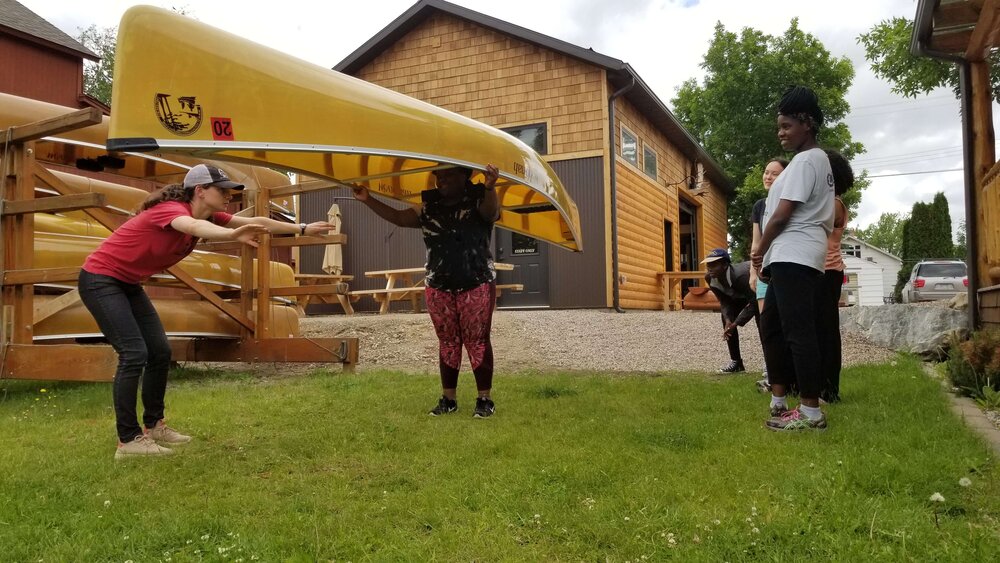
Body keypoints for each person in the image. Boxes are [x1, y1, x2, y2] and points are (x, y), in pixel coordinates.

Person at [79, 164, 337, 459]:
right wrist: (232, 234)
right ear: (200, 191)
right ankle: (129, 441)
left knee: (160, 351)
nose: (229, 196)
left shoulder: (209, 215)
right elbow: (193, 228)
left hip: (128, 282)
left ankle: (154, 426)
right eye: (222, 190)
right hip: (101, 280)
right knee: (134, 353)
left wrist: (301, 228)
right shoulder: (172, 210)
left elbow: (258, 220)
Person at [352, 164, 501, 418]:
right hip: (438, 286)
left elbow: (490, 213)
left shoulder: (479, 200)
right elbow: (399, 218)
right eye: (438, 176)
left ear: (464, 176)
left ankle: (484, 399)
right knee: (448, 343)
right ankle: (448, 399)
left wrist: (489, 187)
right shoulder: (428, 207)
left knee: (476, 342)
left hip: (476, 283)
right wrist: (368, 200)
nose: (440, 180)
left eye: (447, 176)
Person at [751, 85, 835, 431]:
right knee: (771, 326)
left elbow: (784, 213)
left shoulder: (806, 160)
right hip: (790, 255)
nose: (781, 133)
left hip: (794, 253)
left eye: (786, 126)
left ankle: (810, 412)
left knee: (798, 331)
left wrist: (759, 249)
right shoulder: (812, 161)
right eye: (779, 127)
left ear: (807, 123)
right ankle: (780, 397)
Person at [817, 150, 854, 403]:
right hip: (816, 271)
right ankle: (815, 386)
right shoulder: (824, 200)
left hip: (828, 272)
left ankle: (830, 391)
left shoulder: (834, 203)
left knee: (827, 331)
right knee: (816, 330)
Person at [749, 158, 788, 391]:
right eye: (766, 172)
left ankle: (788, 375)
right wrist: (753, 273)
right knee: (768, 324)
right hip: (763, 271)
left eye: (774, 174)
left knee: (786, 323)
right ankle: (771, 373)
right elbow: (756, 243)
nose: (768, 177)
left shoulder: (788, 203)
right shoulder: (760, 206)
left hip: (783, 267)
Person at [702, 248, 759, 374]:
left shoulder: (741, 275)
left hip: (757, 293)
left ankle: (770, 364)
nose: (709, 268)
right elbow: (724, 301)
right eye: (708, 264)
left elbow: (755, 302)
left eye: (713, 264)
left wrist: (736, 323)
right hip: (739, 296)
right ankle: (736, 363)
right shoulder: (710, 278)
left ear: (725, 265)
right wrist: (729, 320)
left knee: (762, 319)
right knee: (726, 318)